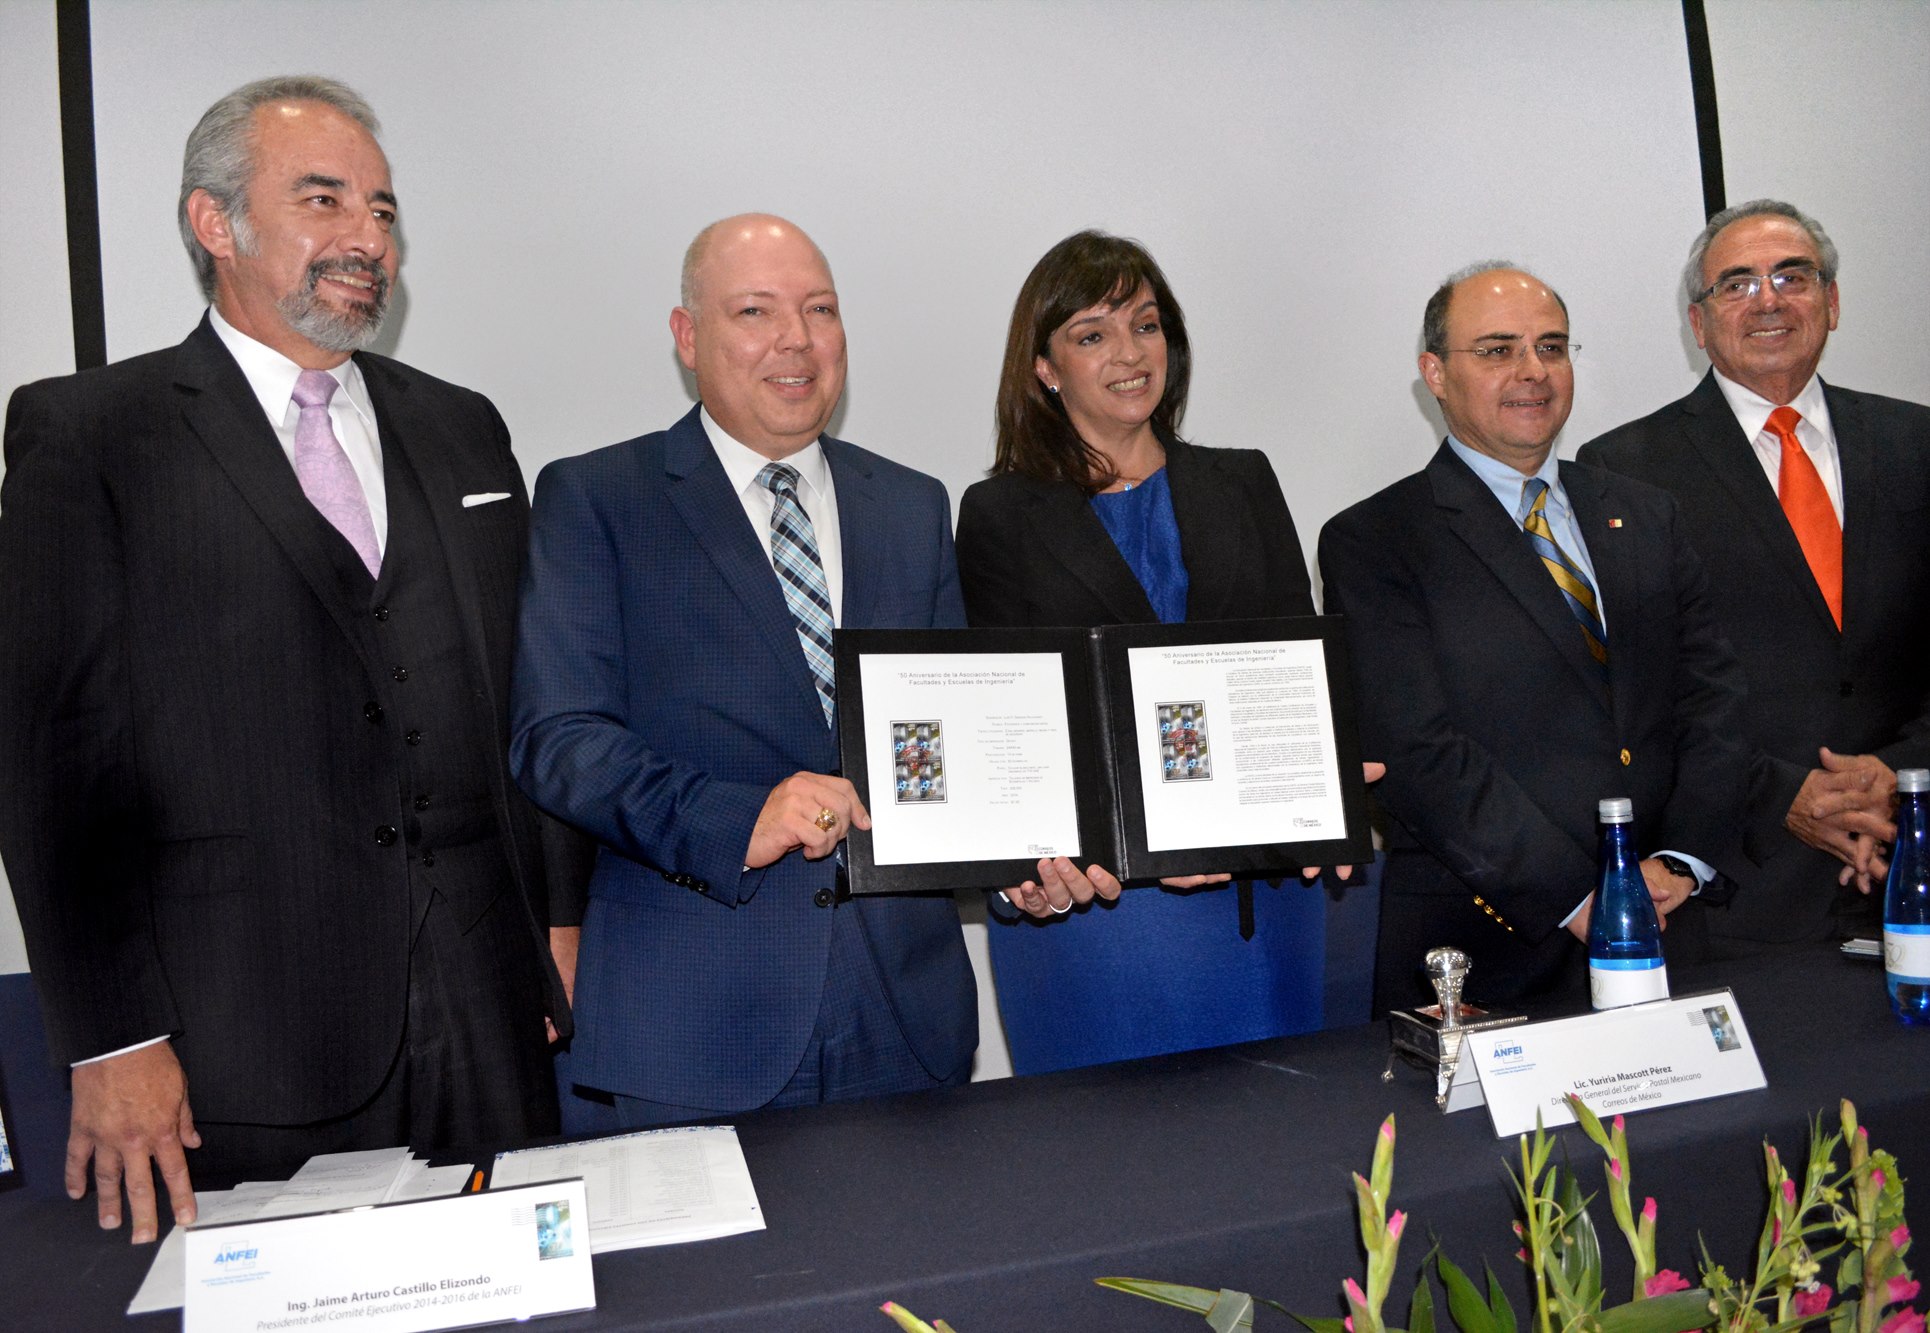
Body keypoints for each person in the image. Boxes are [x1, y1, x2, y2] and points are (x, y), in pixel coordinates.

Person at [0, 76, 581, 1244]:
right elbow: (52, 762)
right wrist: (112, 1039)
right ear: (214, 223)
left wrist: (555, 924)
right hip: (237, 1038)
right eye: (325, 200)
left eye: (382, 208)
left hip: (488, 1015)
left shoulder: (460, 423)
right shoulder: (90, 434)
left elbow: (529, 691)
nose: (369, 237)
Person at [511, 214, 992, 1129]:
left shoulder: (914, 505)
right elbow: (558, 740)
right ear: (688, 337)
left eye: (821, 309)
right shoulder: (596, 499)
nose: (797, 340)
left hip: (905, 1016)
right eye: (755, 311)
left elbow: (946, 739)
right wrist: (739, 817)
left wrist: (1019, 854)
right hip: (688, 1026)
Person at [953, 230, 1341, 1074]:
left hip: (1261, 905)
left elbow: (1289, 675)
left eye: (1146, 324)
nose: (1130, 354)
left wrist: (1327, 784)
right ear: (1044, 368)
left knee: (1285, 1153)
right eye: (1092, 334)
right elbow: (1009, 727)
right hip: (1101, 921)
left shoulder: (1243, 480)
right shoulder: (998, 516)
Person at [1317, 265, 1750, 1013]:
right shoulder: (1376, 538)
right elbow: (1419, 749)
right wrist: (1587, 894)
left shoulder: (1646, 513)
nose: (1532, 371)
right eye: (1495, 350)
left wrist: (1679, 861)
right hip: (1487, 951)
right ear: (1435, 375)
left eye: (1551, 347)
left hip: (1670, 929)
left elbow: (1711, 697)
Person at [1577, 200, 1930, 954]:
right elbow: (1638, 696)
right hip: (1749, 884)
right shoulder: (1624, 472)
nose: (1768, 299)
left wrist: (1895, 777)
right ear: (1699, 325)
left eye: (1791, 276)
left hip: (1915, 849)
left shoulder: (1918, 442)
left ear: (1831, 303)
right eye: (1735, 285)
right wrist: (1785, 794)